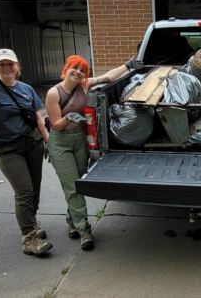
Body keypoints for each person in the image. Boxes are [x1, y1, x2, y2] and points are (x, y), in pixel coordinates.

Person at [45, 55, 143, 250]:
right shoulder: (54, 93)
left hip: (80, 141)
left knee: (77, 183)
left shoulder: (84, 85)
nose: (78, 72)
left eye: (83, 70)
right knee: (72, 187)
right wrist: (68, 119)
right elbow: (56, 124)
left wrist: (127, 65)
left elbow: (108, 77)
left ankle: (72, 220)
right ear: (67, 68)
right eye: (75, 68)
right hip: (61, 142)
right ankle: (85, 231)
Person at [0, 48, 52, 256]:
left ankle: (32, 223)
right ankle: (29, 238)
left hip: (33, 145)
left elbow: (38, 119)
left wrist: (49, 142)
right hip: (8, 149)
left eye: (11, 64)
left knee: (34, 189)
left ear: (17, 66)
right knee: (24, 191)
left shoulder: (27, 89)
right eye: (2, 64)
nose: (7, 68)